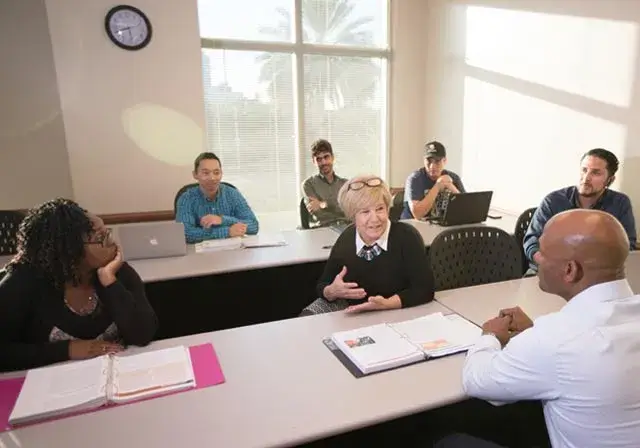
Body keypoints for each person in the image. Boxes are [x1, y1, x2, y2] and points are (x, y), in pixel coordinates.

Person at [439, 209, 640, 447]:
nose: (536, 258)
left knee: (447, 440)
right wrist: (533, 334)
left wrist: (490, 335)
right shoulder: (561, 336)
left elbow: (477, 381)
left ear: (570, 270)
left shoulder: (556, 339)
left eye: (542, 253)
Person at [0, 198, 158, 372]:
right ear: (69, 249)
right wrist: (67, 350)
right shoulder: (23, 283)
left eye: (108, 233)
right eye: (101, 237)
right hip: (51, 385)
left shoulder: (116, 272)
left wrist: (109, 283)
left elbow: (143, 334)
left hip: (117, 376)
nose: (112, 243)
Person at [301, 175, 434, 315]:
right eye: (365, 212)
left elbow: (424, 289)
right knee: (305, 322)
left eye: (380, 209)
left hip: (395, 310)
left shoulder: (407, 236)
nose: (374, 218)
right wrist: (331, 291)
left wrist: (387, 304)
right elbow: (323, 284)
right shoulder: (347, 237)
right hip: (352, 310)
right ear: (353, 216)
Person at [523, 148, 636, 274]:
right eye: (584, 170)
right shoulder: (554, 200)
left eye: (596, 173)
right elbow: (531, 240)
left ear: (610, 180)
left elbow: (627, 246)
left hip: (596, 275)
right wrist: (548, 264)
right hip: (548, 271)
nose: (586, 178)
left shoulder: (620, 203)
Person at [176, 152, 259, 243]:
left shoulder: (232, 193)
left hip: (232, 252)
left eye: (216, 172)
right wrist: (227, 232)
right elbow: (186, 233)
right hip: (201, 254)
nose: (212, 178)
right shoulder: (186, 198)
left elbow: (253, 225)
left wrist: (222, 220)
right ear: (195, 174)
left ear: (221, 173)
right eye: (206, 173)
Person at [401, 141, 465, 220]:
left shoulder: (453, 178)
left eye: (437, 161)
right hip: (412, 225)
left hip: (439, 225)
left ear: (444, 161)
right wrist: (438, 186)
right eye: (429, 161)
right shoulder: (414, 179)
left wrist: (451, 187)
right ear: (424, 161)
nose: (432, 166)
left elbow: (466, 209)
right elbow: (418, 214)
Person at [301, 139, 348, 228]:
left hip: (346, 227)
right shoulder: (308, 184)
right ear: (314, 162)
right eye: (319, 159)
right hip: (323, 228)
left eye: (326, 157)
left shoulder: (345, 184)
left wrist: (323, 204)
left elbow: (350, 210)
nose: (324, 162)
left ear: (332, 158)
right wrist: (339, 206)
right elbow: (317, 213)